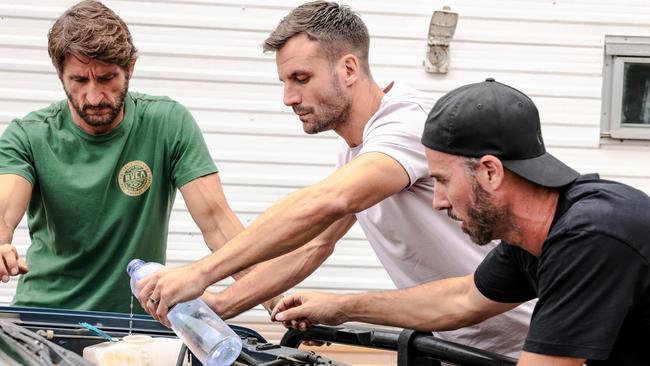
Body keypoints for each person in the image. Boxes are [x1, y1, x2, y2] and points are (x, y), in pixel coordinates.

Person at [136, 1, 533, 357]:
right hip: (456, 342)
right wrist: (222, 305)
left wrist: (200, 272)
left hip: (529, 339)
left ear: (348, 68)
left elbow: (330, 200)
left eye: (301, 78)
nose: (288, 97)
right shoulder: (356, 149)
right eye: (285, 82)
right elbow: (314, 245)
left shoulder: (406, 124)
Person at [271, 78, 650, 365]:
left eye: (442, 180)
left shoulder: (591, 237)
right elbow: (460, 300)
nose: (437, 201)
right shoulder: (535, 236)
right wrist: (339, 307)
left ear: (490, 172)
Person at [0, 0, 244, 314]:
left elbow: (218, 223)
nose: (94, 96)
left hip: (134, 324)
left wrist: (273, 299)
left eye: (106, 79)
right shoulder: (28, 135)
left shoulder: (166, 123)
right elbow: (4, 213)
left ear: (130, 68)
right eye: (79, 80)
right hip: (47, 319)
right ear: (60, 74)